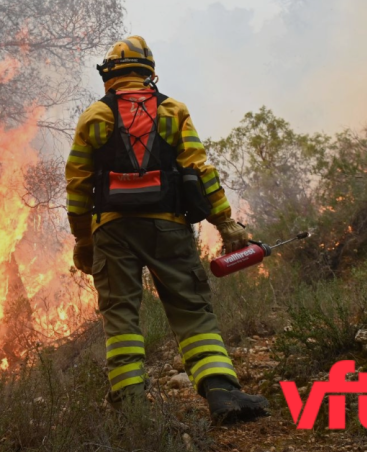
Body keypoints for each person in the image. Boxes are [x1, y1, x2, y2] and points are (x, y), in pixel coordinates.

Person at [64, 35, 269, 424]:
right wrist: (225, 222)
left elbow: (77, 185)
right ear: (149, 73)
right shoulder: (173, 111)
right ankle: (222, 391)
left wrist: (83, 240)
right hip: (169, 228)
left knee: (120, 316)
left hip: (112, 231)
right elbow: (200, 169)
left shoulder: (94, 117)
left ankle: (131, 406)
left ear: (109, 75)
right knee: (191, 309)